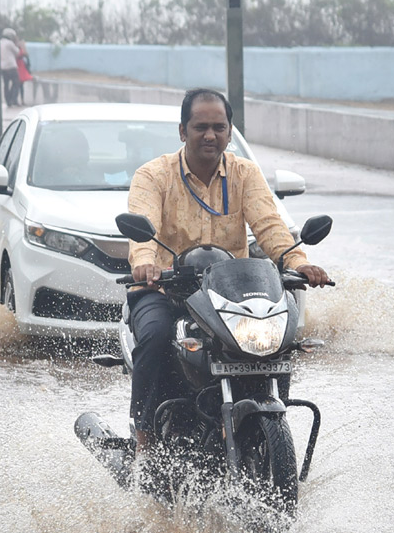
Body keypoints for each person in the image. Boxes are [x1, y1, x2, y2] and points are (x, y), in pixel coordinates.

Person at [126, 88, 332, 451]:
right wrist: (145, 263)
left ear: (230, 131)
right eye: (200, 126)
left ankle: (270, 421)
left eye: (219, 127)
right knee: (156, 338)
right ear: (182, 131)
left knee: (277, 339)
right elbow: (144, 226)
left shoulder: (244, 174)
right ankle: (144, 436)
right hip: (165, 289)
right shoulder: (154, 175)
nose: (210, 135)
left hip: (227, 293)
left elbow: (270, 227)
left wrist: (300, 264)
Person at [0, 27, 20, 106]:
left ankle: (8, 101)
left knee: (6, 85)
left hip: (3, 67)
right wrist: (16, 42)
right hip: (11, 66)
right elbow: (17, 52)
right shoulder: (9, 43)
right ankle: (13, 99)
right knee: (16, 83)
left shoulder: (0, 42)